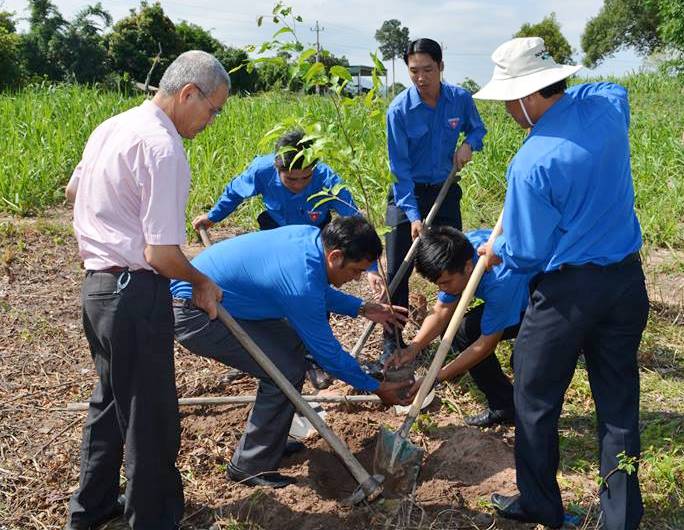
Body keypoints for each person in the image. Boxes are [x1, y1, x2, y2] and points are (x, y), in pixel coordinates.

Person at [474, 38, 649, 529]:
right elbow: (611, 86)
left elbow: (527, 252)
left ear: (530, 96)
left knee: (534, 398)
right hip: (624, 282)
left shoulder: (531, 163)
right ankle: (620, 518)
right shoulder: (607, 107)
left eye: (510, 98)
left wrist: (495, 250)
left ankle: (540, 504)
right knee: (617, 405)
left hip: (566, 295)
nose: (508, 108)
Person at [66, 50, 229, 530]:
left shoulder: (112, 126)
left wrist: (113, 221)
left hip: (97, 291)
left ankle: (92, 508)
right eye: (212, 109)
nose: (211, 121)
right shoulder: (162, 147)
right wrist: (200, 280)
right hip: (134, 294)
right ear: (187, 94)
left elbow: (74, 192)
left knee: (111, 402)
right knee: (151, 419)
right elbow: (160, 254)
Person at [170, 216, 413, 488]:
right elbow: (328, 355)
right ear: (335, 256)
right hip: (197, 311)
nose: (355, 277)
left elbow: (316, 289)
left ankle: (269, 441)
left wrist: (362, 307)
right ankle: (250, 467)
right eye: (355, 271)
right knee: (284, 371)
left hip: (224, 299)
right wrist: (376, 386)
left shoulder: (311, 240)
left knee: (292, 354)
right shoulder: (301, 281)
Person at [368, 38, 487, 359]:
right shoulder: (399, 111)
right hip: (406, 193)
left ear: (441, 67)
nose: (421, 78)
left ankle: (457, 331)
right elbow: (400, 169)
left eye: (428, 70)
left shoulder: (459, 99)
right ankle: (392, 340)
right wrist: (413, 215)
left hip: (444, 190)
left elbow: (479, 130)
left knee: (455, 259)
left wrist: (468, 145)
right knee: (398, 270)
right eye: (414, 71)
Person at [388, 226, 533, 427]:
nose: (443, 289)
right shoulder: (462, 249)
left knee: (523, 362)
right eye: (439, 284)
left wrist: (435, 378)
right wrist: (413, 348)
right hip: (512, 299)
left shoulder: (499, 281)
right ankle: (504, 406)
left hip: (543, 303)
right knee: (460, 332)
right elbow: (440, 312)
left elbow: (485, 345)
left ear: (467, 267)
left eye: (446, 283)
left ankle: (531, 419)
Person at [191, 129, 359, 232]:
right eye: (291, 179)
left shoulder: (327, 179)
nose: (299, 185)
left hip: (315, 232)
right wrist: (213, 217)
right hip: (276, 228)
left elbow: (354, 219)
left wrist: (371, 269)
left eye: (306, 177)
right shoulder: (261, 170)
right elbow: (235, 193)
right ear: (277, 168)